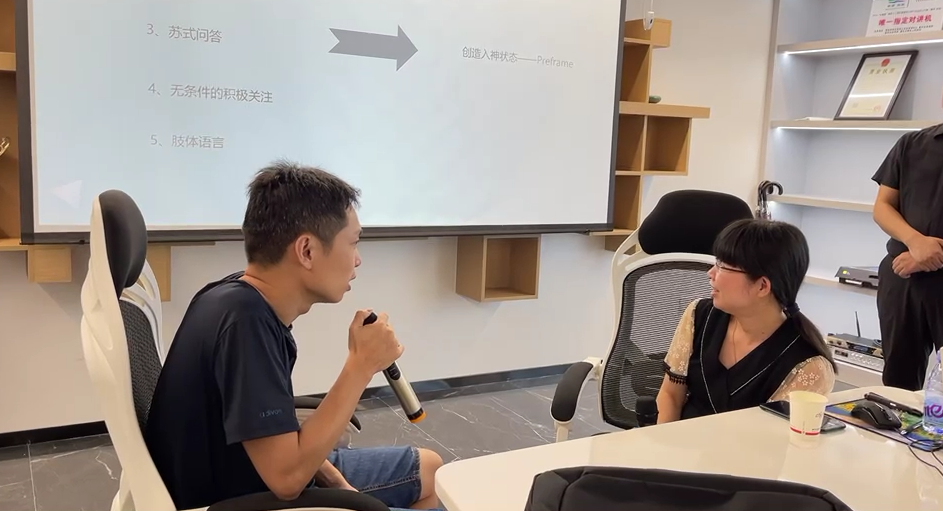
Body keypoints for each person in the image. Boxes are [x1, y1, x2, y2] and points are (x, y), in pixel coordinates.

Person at [144, 160, 443, 510]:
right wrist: (361, 365)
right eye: (353, 243)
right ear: (307, 251)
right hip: (251, 499)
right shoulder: (245, 326)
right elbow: (287, 480)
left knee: (431, 470)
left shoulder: (233, 298)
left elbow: (271, 433)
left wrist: (338, 483)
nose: (358, 260)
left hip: (262, 471)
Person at [656, 218, 837, 423]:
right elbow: (670, 396)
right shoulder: (699, 315)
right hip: (680, 440)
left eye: (723, 266)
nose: (710, 273)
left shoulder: (809, 366)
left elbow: (773, 437)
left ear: (762, 286)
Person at [871, 115, 943, 391]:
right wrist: (915, 242)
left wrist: (927, 255)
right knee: (897, 382)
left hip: (918, 266)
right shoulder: (911, 144)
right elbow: (883, 206)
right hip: (901, 275)